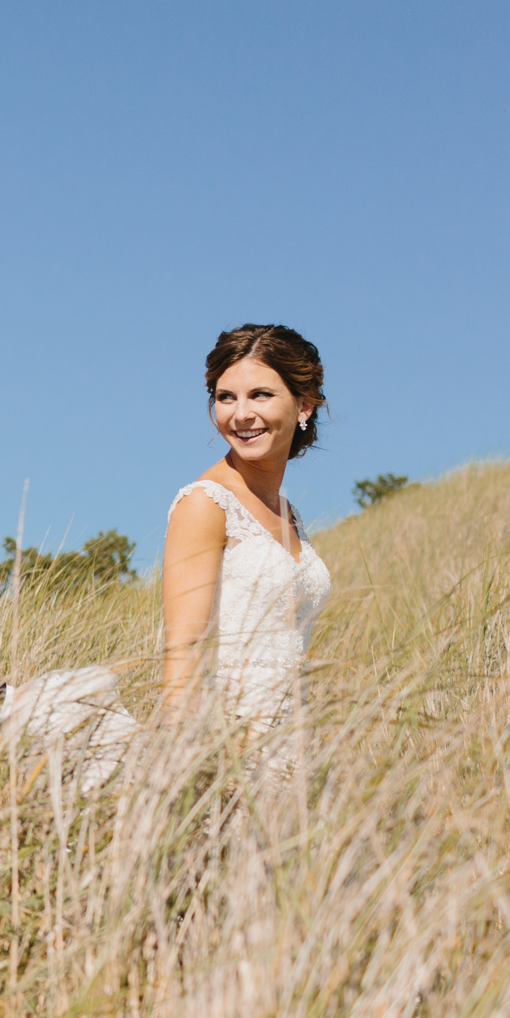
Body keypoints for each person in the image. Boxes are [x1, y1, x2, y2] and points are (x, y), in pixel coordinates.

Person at [162, 323, 335, 759]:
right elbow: (182, 663)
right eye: (225, 397)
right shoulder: (205, 503)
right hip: (228, 750)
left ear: (304, 405)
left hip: (294, 747)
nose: (240, 414)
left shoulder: (287, 513)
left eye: (260, 395)